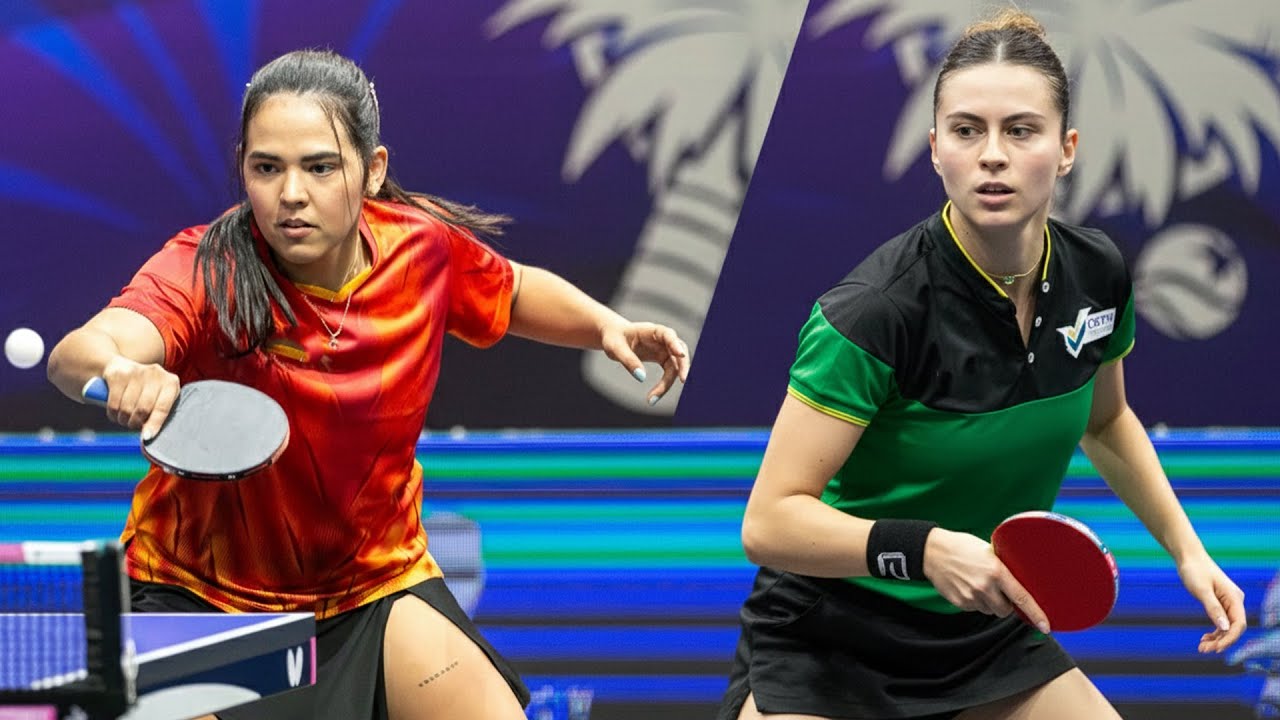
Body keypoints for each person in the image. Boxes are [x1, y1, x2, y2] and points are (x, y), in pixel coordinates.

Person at [46, 49, 689, 720]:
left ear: (372, 170)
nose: (292, 193)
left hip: (374, 590)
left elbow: (515, 287)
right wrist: (119, 369)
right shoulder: (207, 269)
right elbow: (84, 349)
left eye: (320, 167)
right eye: (267, 168)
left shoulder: (422, 249)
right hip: (205, 599)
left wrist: (605, 326)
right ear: (244, 171)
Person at [718, 8, 1246, 720]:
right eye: (967, 131)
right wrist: (925, 548)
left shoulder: (1098, 274)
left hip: (985, 629)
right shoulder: (878, 310)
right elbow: (770, 523)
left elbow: (1107, 418)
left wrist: (1188, 552)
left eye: (1021, 130)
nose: (991, 155)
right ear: (937, 149)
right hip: (829, 639)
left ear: (1066, 148)